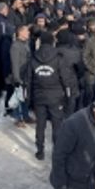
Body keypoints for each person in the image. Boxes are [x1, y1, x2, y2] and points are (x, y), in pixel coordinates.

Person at [29, 31, 69, 161]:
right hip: (56, 96)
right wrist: (68, 95)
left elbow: (28, 79)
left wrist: (29, 97)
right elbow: (65, 78)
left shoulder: (33, 58)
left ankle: (40, 150)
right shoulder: (58, 58)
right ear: (53, 42)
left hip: (39, 96)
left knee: (40, 124)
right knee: (57, 124)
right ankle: (57, 151)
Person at [8, 23, 33, 127]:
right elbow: (15, 63)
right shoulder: (15, 46)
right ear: (20, 32)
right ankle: (17, 118)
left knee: (25, 96)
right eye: (26, 31)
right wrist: (16, 78)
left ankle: (26, 116)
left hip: (26, 75)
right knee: (18, 97)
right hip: (19, 76)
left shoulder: (26, 43)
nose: (28, 33)